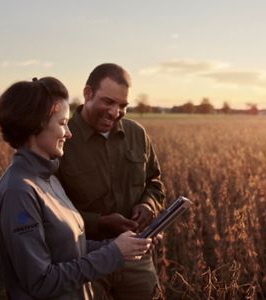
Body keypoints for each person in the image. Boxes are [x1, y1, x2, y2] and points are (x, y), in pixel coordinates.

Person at [0, 76, 153, 300]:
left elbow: (67, 247)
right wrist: (113, 254)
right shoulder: (18, 191)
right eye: (62, 123)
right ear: (35, 124)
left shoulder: (48, 179)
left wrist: (120, 245)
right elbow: (40, 282)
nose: (69, 133)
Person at [57, 64, 166, 300]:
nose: (115, 112)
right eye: (108, 102)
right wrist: (102, 223)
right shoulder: (61, 138)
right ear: (87, 94)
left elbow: (154, 182)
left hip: (136, 256)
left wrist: (148, 205)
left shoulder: (137, 134)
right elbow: (52, 211)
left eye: (123, 105)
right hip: (83, 258)